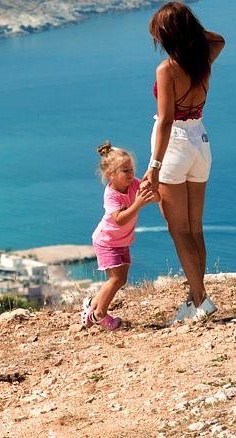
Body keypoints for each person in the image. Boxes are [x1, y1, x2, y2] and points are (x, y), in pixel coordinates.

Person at [141, 0, 225, 325]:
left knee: (178, 230)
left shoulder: (167, 69)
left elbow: (165, 120)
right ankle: (194, 298)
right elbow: (219, 39)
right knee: (194, 228)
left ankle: (201, 300)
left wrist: (154, 167)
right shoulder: (205, 57)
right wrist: (191, 30)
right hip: (200, 143)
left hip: (174, 146)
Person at [83, 141, 158, 330]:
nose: (131, 173)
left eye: (131, 168)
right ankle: (100, 314)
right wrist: (138, 204)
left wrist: (152, 190)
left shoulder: (134, 184)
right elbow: (119, 219)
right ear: (111, 174)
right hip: (107, 242)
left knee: (120, 279)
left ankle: (91, 307)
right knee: (116, 280)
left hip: (121, 241)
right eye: (125, 170)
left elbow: (155, 197)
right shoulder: (111, 194)